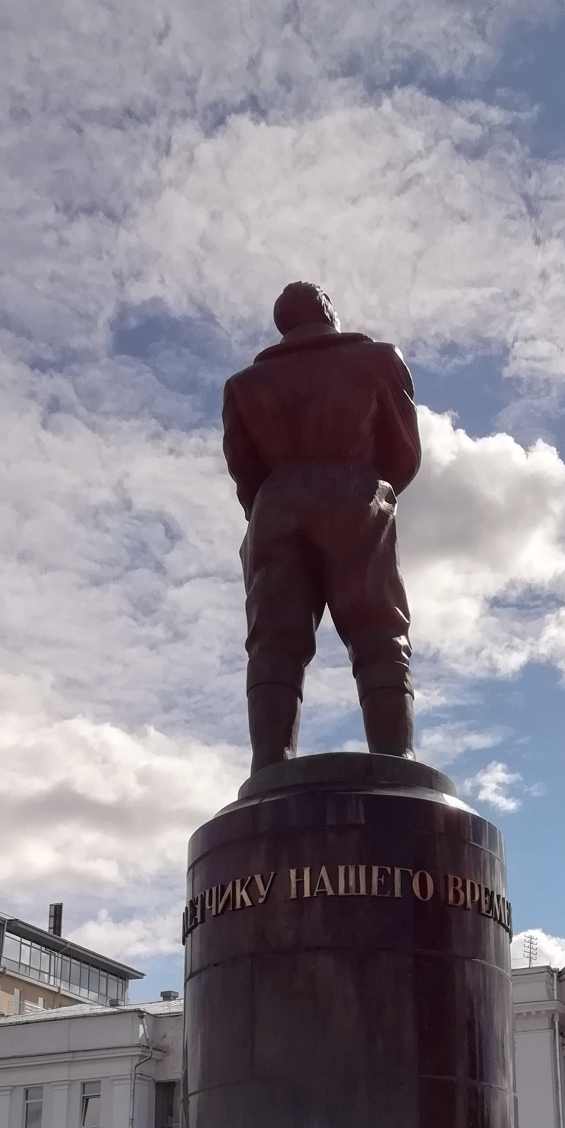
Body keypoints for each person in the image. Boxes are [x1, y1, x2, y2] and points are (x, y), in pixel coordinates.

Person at [222, 283, 421, 771]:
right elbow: (404, 453)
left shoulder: (243, 385)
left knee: (274, 640)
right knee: (378, 628)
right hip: (356, 495)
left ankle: (269, 763)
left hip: (275, 507)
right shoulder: (378, 361)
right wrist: (362, 485)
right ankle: (395, 757)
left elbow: (244, 470)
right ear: (327, 311)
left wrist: (280, 502)